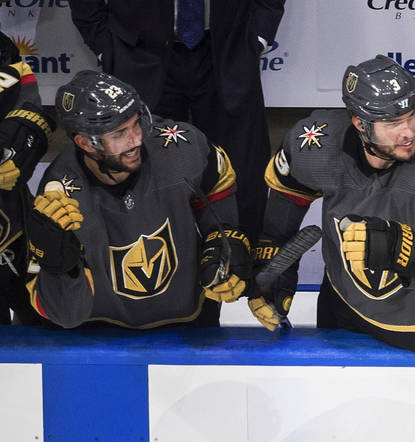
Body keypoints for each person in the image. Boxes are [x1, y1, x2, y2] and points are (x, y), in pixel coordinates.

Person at [251, 55, 415, 355]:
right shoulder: (315, 143)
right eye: (392, 123)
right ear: (359, 123)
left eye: (412, 115)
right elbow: (289, 192)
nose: (409, 132)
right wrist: (271, 252)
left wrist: (408, 252)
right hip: (338, 306)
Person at [26, 70, 250, 329]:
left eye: (136, 123)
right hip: (102, 331)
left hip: (189, 319)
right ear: (86, 143)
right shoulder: (61, 195)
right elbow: (65, 314)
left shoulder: (181, 147)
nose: (136, 139)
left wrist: (222, 245)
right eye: (119, 134)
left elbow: (218, 196)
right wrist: (59, 265)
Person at [66, 0, 285, 242]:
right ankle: (149, 269)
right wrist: (104, 44)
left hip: (229, 45)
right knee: (142, 172)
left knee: (242, 168)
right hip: (137, 51)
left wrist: (259, 35)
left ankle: (241, 265)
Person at [0, 30, 54, 325]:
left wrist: (15, 148)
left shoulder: (8, 59)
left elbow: (30, 112)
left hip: (13, 230)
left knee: (40, 322)